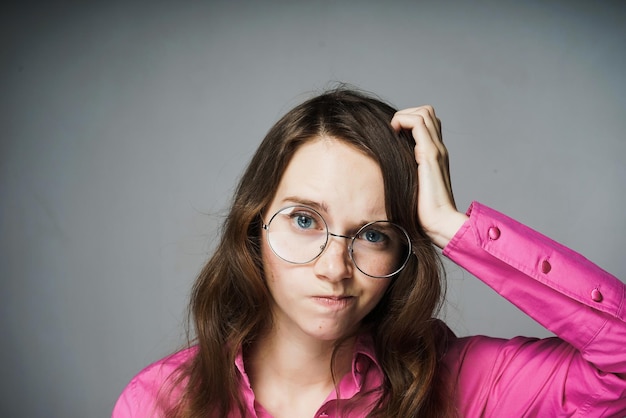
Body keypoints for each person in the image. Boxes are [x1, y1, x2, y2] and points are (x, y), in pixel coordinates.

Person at [112, 88, 626, 417]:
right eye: (305, 220)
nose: (335, 269)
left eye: (373, 234)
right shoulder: (160, 402)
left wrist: (451, 228)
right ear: (254, 227)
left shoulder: (465, 385)